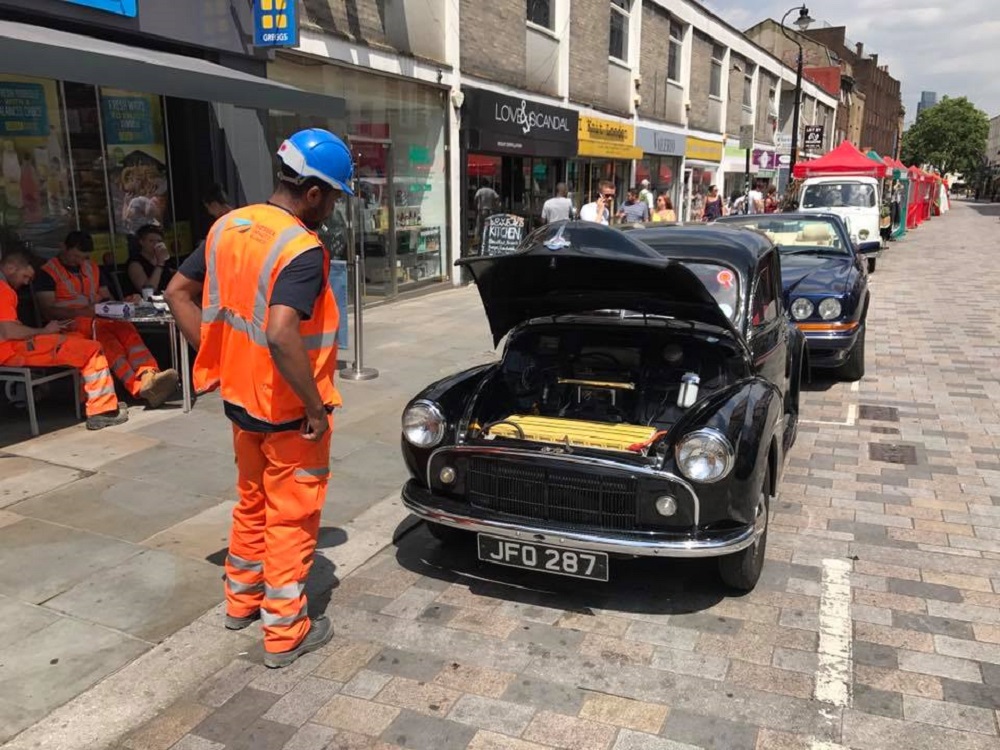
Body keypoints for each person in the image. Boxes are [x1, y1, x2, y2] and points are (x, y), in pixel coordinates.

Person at [165, 128, 351, 669]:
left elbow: (177, 292)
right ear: (314, 193)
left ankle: (239, 602)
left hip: (241, 403)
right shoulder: (301, 247)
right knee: (292, 519)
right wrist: (315, 406)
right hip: (291, 414)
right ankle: (285, 631)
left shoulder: (228, 226)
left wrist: (217, 357)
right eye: (335, 197)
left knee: (251, 502)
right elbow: (280, 330)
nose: (334, 208)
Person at [35, 231, 178, 408]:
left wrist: (120, 304)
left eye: (84, 257)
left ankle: (149, 374)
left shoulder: (92, 267)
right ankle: (140, 387)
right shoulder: (47, 273)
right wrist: (83, 311)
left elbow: (105, 298)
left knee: (125, 328)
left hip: (100, 317)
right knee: (107, 339)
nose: (79, 261)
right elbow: (49, 311)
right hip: (70, 323)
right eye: (75, 256)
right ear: (63, 248)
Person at [0, 249, 128, 430]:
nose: (26, 282)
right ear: (11, 267)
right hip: (10, 351)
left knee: (76, 339)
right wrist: (44, 331)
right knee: (91, 348)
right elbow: (8, 332)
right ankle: (102, 411)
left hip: (11, 347)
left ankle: (88, 400)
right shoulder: (3, 289)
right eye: (25, 276)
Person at [127, 223, 174, 297]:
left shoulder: (163, 258)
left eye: (159, 241)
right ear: (142, 242)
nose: (155, 244)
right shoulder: (135, 263)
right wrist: (159, 265)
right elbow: (149, 291)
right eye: (151, 241)